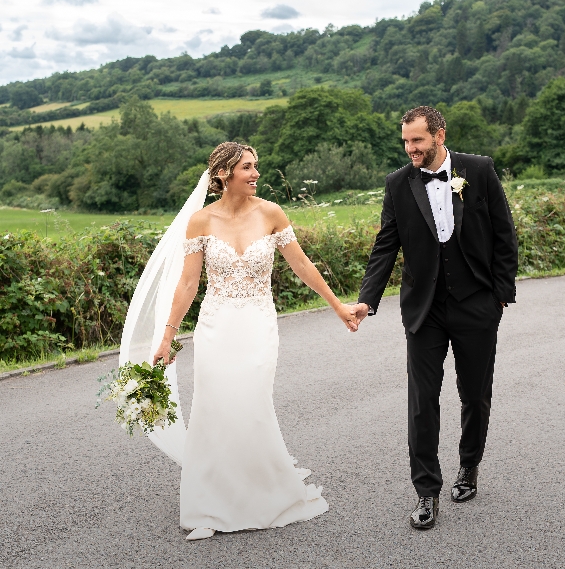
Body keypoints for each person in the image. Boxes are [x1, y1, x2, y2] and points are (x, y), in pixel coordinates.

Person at [147, 141, 358, 541]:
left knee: (251, 404)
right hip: (216, 326)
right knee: (214, 407)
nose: (256, 173)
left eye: (255, 166)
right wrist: (167, 337)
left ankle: (262, 493)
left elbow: (301, 264)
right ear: (224, 174)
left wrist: (338, 306)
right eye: (247, 167)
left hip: (258, 323)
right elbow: (188, 283)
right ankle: (208, 506)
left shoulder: (271, 213)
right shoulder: (200, 221)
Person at [352, 106, 518, 530]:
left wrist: (500, 295)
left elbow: (504, 232)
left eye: (418, 140)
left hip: (476, 302)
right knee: (422, 401)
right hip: (423, 308)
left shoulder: (478, 170)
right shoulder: (398, 184)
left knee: (474, 394)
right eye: (406, 141)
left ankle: (469, 466)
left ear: (439, 135)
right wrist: (367, 300)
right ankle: (426, 491)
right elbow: (385, 245)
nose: (410, 149)